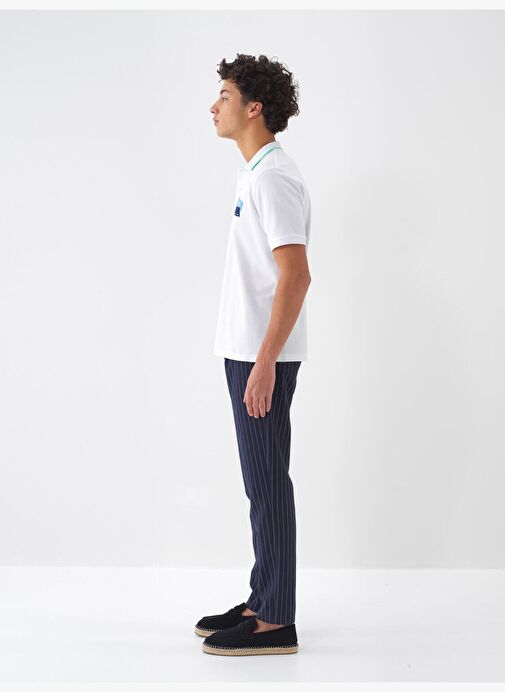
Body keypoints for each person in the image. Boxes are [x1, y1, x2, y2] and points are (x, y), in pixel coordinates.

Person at [196, 53, 311, 656]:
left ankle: (275, 621)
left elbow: (296, 275)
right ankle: (262, 598)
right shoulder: (256, 173)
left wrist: (265, 361)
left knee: (267, 486)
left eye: (224, 95)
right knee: (259, 484)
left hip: (261, 357)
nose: (213, 107)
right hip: (247, 352)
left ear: (253, 107)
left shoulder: (273, 178)